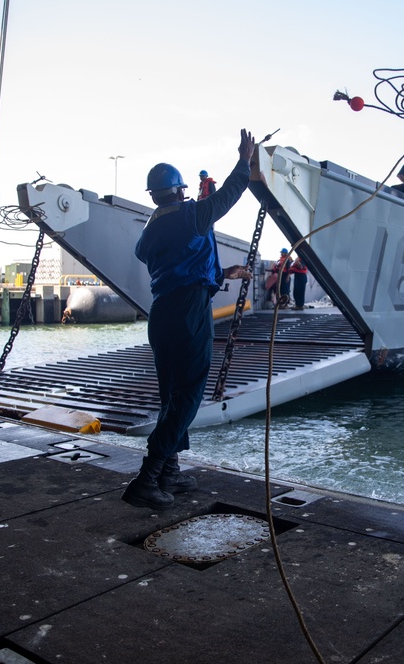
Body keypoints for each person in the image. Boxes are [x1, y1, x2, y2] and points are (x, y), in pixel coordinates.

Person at [121, 129, 256, 511]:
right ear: (181, 191)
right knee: (188, 398)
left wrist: (219, 273)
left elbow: (175, 263)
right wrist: (244, 160)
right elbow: (228, 195)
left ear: (155, 196)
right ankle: (147, 478)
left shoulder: (149, 232)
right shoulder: (192, 214)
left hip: (162, 314)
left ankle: (170, 472)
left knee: (172, 396)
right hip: (189, 313)